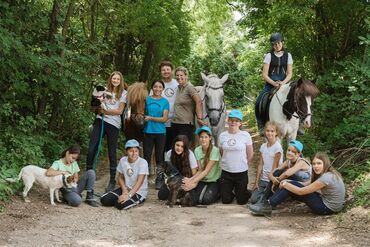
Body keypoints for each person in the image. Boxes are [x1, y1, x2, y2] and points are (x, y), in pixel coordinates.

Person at [250, 152, 346, 215]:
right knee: (292, 185)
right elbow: (305, 184)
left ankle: (268, 205)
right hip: (328, 205)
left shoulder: (326, 177)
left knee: (291, 187)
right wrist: (289, 181)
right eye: (314, 163)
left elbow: (301, 191)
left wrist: (286, 185)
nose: (316, 166)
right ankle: (268, 203)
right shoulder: (329, 173)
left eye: (319, 163)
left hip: (326, 208)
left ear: (325, 163)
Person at [86, 71, 128, 192]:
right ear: (110, 79)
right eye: (114, 78)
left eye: (118, 79)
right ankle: (88, 176)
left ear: (121, 81)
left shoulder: (124, 93)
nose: (115, 81)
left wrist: (105, 112)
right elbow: (93, 106)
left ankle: (112, 180)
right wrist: (97, 108)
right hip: (100, 121)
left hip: (114, 124)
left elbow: (119, 111)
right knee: (91, 149)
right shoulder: (103, 90)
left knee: (111, 153)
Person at [255, 32, 293, 131]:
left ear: (282, 42)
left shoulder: (288, 55)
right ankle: (261, 123)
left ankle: (299, 125)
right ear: (272, 45)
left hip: (284, 84)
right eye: (275, 44)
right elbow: (264, 74)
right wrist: (273, 83)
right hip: (270, 84)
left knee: (296, 98)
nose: (277, 45)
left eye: (279, 43)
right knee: (259, 100)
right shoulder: (268, 56)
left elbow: (289, 74)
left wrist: (282, 83)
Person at [100, 139, 149, 210]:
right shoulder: (123, 160)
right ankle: (122, 198)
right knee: (104, 200)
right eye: (131, 151)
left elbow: (140, 182)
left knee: (120, 205)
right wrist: (124, 190)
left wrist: (128, 196)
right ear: (126, 152)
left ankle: (136, 200)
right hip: (126, 189)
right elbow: (120, 177)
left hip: (139, 192)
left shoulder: (143, 162)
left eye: (136, 151)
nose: (134, 153)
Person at [218, 109, 254, 205]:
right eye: (231, 120)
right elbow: (222, 152)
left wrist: (243, 163)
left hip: (241, 172)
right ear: (228, 121)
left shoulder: (245, 135)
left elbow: (250, 154)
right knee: (226, 200)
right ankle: (232, 191)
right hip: (226, 172)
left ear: (240, 123)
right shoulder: (222, 135)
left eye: (236, 121)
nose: (233, 122)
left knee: (242, 201)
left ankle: (244, 191)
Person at [182, 126, 221, 205]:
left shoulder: (215, 150)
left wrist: (192, 181)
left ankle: (219, 192)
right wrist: (190, 180)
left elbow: (206, 171)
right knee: (196, 199)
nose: (203, 139)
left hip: (214, 180)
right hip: (202, 179)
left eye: (206, 137)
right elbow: (200, 170)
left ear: (210, 138)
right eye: (201, 137)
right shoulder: (197, 150)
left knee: (206, 200)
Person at [143, 79, 169, 190]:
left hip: (160, 133)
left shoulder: (165, 102)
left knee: (159, 157)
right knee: (147, 157)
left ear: (163, 89)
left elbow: (164, 119)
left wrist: (151, 118)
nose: (157, 89)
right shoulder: (146, 100)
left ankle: (159, 179)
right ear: (152, 88)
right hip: (147, 132)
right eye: (155, 87)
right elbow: (142, 114)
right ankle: (144, 179)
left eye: (160, 87)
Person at [250, 121, 283, 204]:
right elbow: (260, 164)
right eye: (268, 131)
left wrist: (271, 182)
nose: (270, 133)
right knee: (253, 199)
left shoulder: (277, 147)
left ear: (276, 133)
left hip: (272, 180)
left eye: (272, 131)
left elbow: (275, 167)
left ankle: (267, 197)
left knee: (262, 199)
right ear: (265, 132)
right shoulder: (263, 146)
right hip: (263, 180)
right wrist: (256, 182)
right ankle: (261, 194)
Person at [171, 66, 204, 146]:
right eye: (177, 75)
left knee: (183, 148)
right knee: (176, 149)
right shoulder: (178, 88)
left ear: (186, 76)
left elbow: (198, 101)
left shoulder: (189, 88)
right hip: (175, 123)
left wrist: (199, 118)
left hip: (185, 124)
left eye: (181, 75)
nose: (179, 77)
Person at [158, 135, 198, 200]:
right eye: (177, 145)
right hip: (174, 180)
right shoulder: (169, 153)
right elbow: (168, 172)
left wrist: (192, 184)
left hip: (186, 180)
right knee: (161, 195)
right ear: (174, 144)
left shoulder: (190, 154)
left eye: (182, 146)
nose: (179, 148)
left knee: (191, 197)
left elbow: (195, 174)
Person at [158, 61, 179, 152]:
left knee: (174, 146)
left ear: (172, 71)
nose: (166, 71)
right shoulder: (157, 85)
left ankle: (172, 165)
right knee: (162, 147)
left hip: (176, 121)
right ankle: (161, 165)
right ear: (160, 72)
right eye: (163, 70)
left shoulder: (177, 83)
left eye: (168, 69)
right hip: (161, 122)